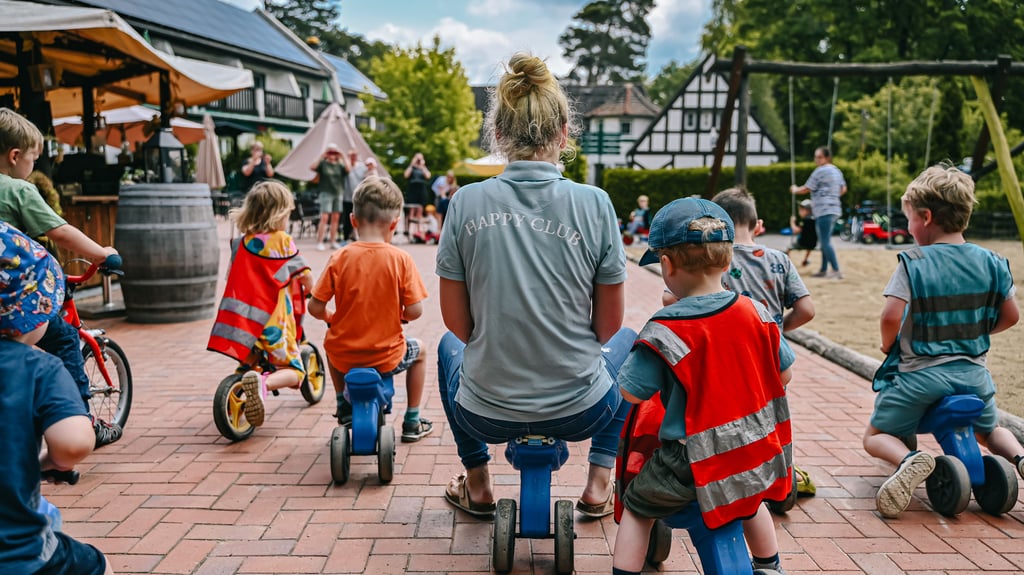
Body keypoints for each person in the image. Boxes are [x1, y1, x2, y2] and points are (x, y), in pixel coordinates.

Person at [435, 52, 634, 519]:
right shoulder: (596, 203)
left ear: (498, 134)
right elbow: (608, 328)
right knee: (633, 343)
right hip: (581, 409)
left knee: (446, 346)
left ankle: (479, 482)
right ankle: (599, 480)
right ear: (564, 133)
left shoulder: (465, 202)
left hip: (485, 411)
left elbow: (458, 325)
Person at [612, 198, 795, 575]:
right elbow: (785, 374)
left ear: (666, 265)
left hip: (690, 463)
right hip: (755, 451)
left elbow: (632, 393)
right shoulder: (758, 313)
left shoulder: (665, 329)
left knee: (637, 506)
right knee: (750, 500)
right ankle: (769, 565)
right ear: (728, 262)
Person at [865, 165, 1024, 518]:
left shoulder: (915, 262)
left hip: (920, 378)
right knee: (991, 430)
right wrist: (979, 332)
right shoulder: (993, 262)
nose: (908, 228)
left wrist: (888, 344)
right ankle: (1019, 457)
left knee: (875, 435)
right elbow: (1011, 315)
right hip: (974, 376)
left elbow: (891, 315)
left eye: (909, 220)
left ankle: (910, 459)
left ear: (925, 216)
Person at [0, 107, 122, 448]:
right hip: (11, 300)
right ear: (14, 156)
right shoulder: (17, 190)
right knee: (64, 337)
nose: (32, 168)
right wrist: (102, 253)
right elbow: (61, 230)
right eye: (33, 160)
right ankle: (81, 420)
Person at [0, 222, 115, 575]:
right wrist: (53, 461)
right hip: (16, 551)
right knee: (97, 565)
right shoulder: (38, 366)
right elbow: (74, 442)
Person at [308, 175, 433, 442]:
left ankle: (343, 403)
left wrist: (331, 317)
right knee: (420, 351)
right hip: (388, 356)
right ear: (395, 224)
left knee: (331, 344)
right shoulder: (401, 259)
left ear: (353, 220)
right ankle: (412, 419)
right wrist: (398, 315)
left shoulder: (339, 257)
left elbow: (315, 306)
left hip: (345, 356)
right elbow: (415, 310)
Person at [207, 180, 315, 428]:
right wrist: (316, 294)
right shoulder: (282, 241)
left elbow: (233, 277)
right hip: (273, 320)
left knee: (249, 362)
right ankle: (264, 384)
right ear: (278, 214)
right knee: (296, 370)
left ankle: (240, 384)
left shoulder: (242, 243)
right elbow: (304, 275)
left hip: (243, 322)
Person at [790, 146, 846, 279]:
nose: (816, 160)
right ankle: (823, 269)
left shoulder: (819, 171)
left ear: (827, 158)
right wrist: (832, 196)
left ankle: (836, 270)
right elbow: (843, 189)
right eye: (816, 157)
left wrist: (795, 189)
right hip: (835, 209)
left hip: (823, 210)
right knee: (824, 240)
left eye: (819, 157)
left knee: (825, 242)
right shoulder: (837, 171)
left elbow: (807, 188)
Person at [311, 143, 351, 251]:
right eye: (330, 151)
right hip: (326, 192)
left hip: (338, 192)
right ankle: (320, 241)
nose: (332, 154)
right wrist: (322, 155)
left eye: (334, 151)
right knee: (324, 217)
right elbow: (312, 167)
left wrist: (342, 155)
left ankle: (332, 241)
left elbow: (348, 169)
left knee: (336, 218)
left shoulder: (340, 164)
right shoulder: (323, 164)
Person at [402, 152, 431, 238]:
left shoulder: (423, 168)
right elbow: (406, 175)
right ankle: (409, 231)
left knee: (419, 211)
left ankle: (418, 232)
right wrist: (412, 164)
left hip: (421, 190)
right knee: (411, 210)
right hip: (412, 190)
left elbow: (428, 176)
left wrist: (422, 166)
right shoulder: (412, 167)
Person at [787, 199, 817, 266]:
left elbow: (796, 230)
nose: (799, 212)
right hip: (813, 243)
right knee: (809, 246)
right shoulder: (815, 219)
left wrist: (792, 222)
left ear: (807, 211)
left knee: (789, 247)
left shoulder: (805, 220)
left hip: (802, 243)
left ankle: (787, 261)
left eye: (801, 210)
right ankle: (805, 260)